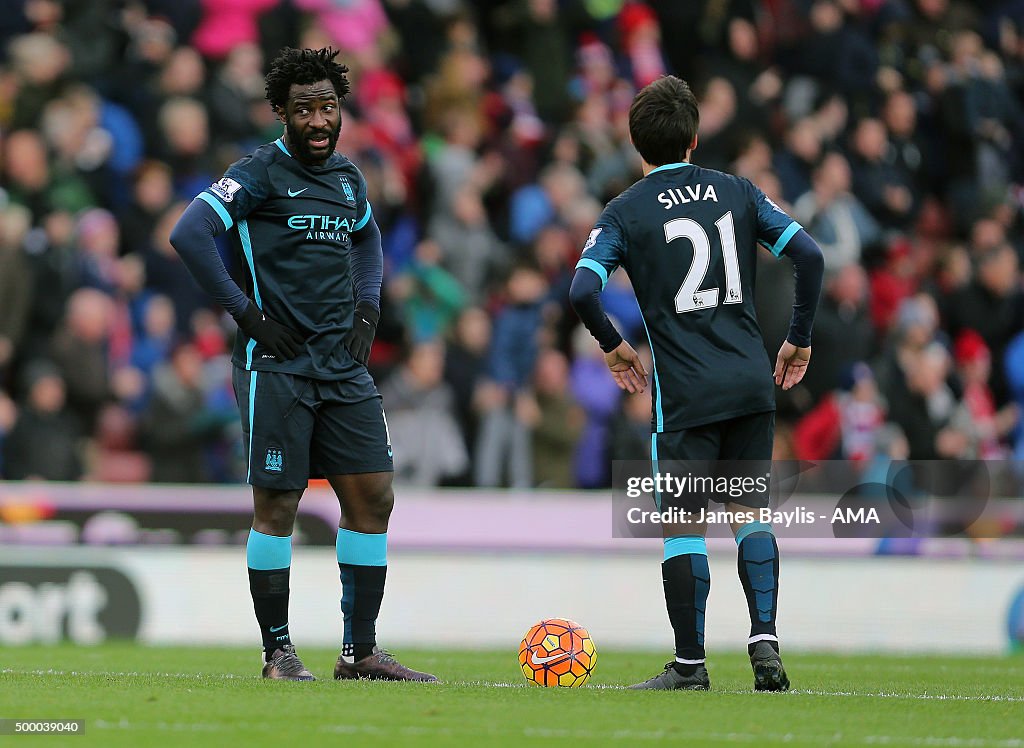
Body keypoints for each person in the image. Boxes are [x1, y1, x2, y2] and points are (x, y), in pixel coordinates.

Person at [169, 47, 436, 683]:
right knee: (279, 505)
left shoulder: (349, 179)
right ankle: (278, 654)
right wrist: (246, 314)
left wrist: (368, 311)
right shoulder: (259, 173)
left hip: (342, 367)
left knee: (373, 494)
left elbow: (369, 239)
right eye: (304, 110)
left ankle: (360, 652)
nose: (319, 121)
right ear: (282, 114)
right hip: (278, 366)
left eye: (328, 108)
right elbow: (189, 232)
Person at [569, 75, 824, 691]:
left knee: (683, 525)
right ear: (696, 136)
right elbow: (809, 255)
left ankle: (689, 665)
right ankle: (765, 645)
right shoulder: (736, 191)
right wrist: (799, 336)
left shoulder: (624, 211)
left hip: (685, 394)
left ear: (637, 145)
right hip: (748, 383)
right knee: (750, 514)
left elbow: (582, 290)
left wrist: (615, 348)